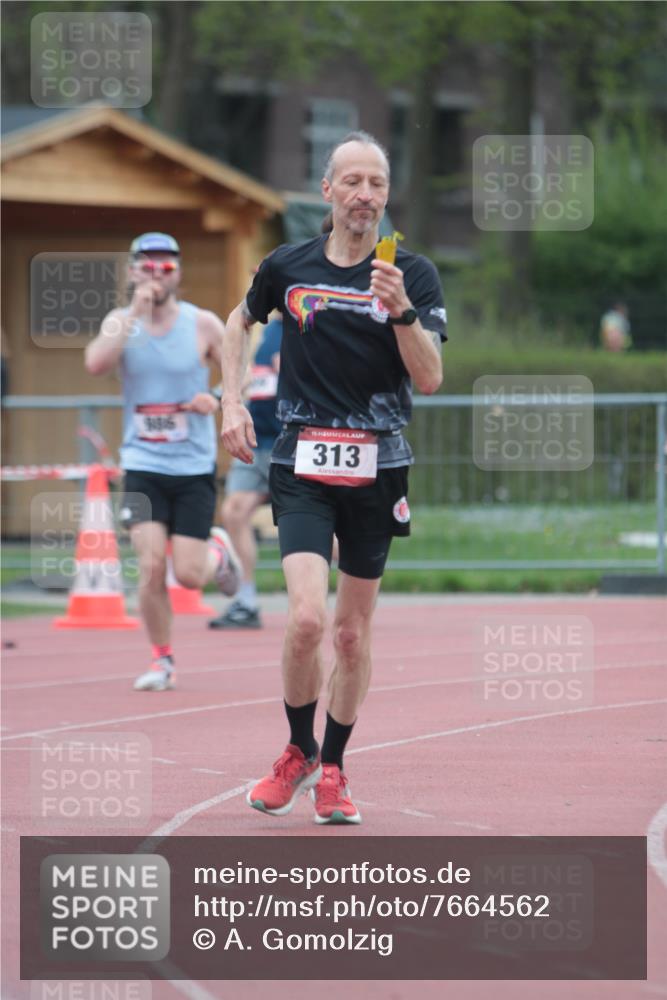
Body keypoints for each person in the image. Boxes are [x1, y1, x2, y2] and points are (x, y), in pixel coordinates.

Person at [221, 131, 446, 824]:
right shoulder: (287, 266)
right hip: (301, 465)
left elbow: (430, 378)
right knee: (306, 621)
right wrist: (230, 400)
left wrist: (401, 309)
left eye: (375, 183)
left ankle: (336, 771)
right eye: (350, 181)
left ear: (386, 194)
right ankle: (297, 751)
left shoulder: (412, 273)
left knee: (350, 634)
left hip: (378, 468)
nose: (363, 195)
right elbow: (238, 321)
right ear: (327, 191)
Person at [85, 232, 241, 691]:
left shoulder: (203, 324)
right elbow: (95, 364)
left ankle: (217, 552)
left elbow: (242, 370)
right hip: (143, 465)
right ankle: (162, 660)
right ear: (133, 270)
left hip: (192, 467)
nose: (157, 273)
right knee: (152, 566)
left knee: (189, 576)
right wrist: (133, 312)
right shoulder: (120, 321)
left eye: (167, 267)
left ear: (179, 273)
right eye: (148, 266)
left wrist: (216, 397)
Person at [208, 311, 283, 629]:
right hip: (256, 439)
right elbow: (252, 373)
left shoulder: (304, 320)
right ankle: (246, 601)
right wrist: (220, 395)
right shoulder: (261, 330)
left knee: (323, 534)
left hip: (289, 443)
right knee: (234, 512)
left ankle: (361, 574)